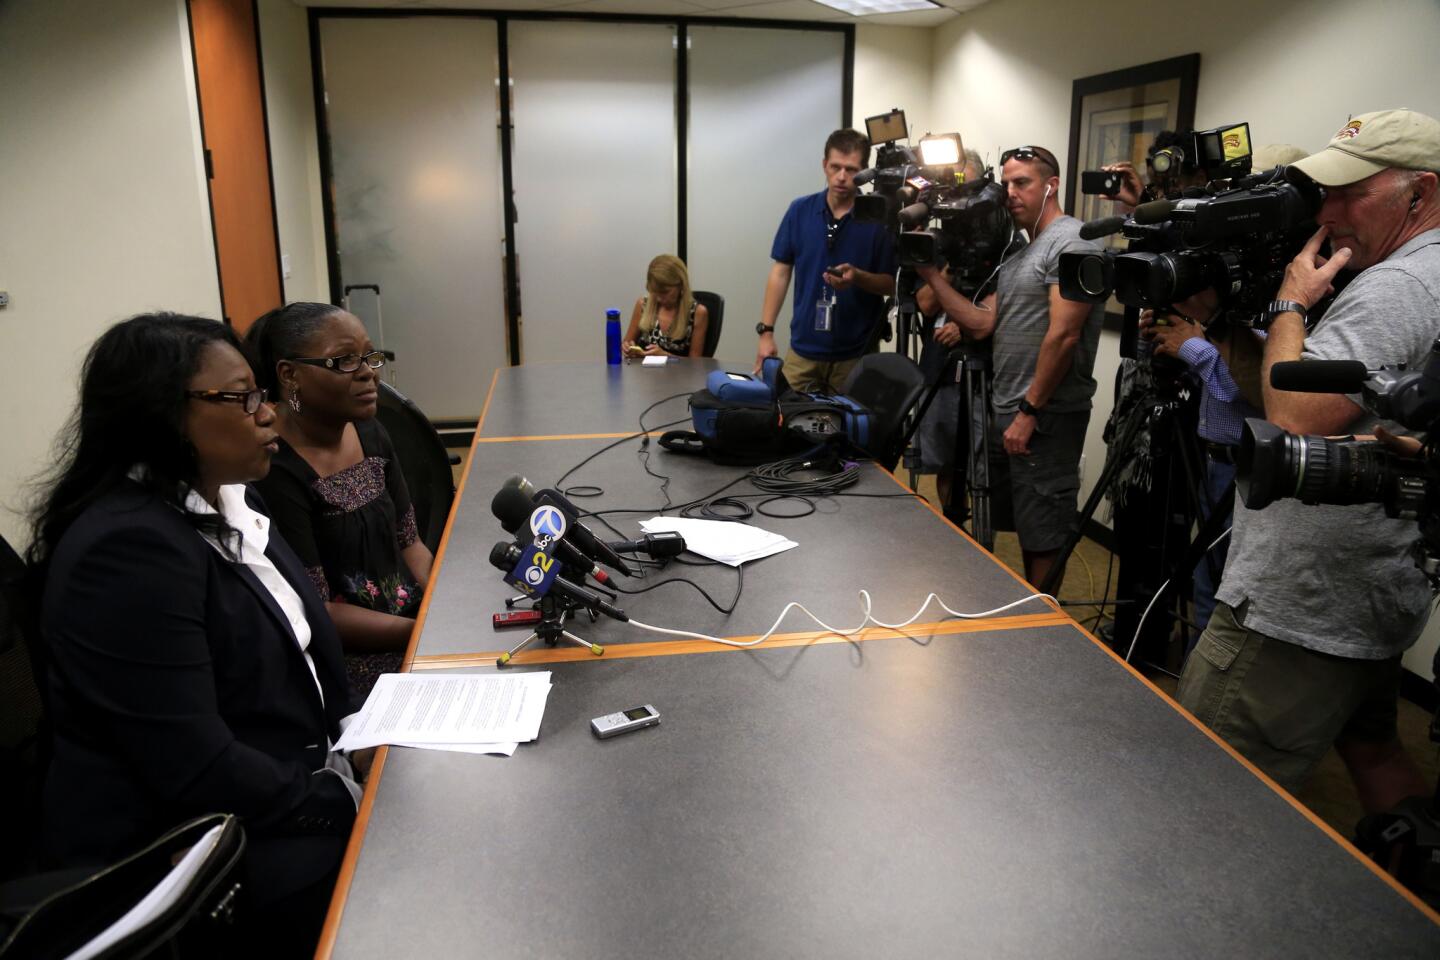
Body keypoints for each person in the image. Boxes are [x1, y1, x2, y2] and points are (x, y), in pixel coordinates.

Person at [29, 314, 362, 956]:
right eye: (240, 399)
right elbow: (196, 766)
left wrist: (361, 739)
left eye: (259, 393)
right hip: (188, 849)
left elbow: (304, 657)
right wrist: (341, 794)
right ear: (162, 416)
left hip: (277, 784)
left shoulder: (231, 500)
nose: (267, 415)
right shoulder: (127, 550)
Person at [1176, 109, 1440, 811]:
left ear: (1422, 194)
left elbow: (1292, 414)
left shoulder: (1398, 288)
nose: (1329, 210)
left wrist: (1292, 299)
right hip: (1372, 587)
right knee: (1376, 751)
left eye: (1354, 192)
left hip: (1303, 601)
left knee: (1206, 787)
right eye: (1327, 191)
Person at [915, 145, 1105, 587]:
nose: (1011, 193)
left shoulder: (1072, 242)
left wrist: (1029, 412)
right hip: (1009, 412)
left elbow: (1065, 335)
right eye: (1007, 184)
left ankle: (1046, 635)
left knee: (1043, 534)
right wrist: (931, 276)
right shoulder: (1023, 254)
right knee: (1022, 524)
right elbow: (981, 324)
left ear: (1051, 185)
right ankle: (1023, 619)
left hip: (1044, 419)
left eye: (1023, 183)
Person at [1138, 144, 1307, 639]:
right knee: (1205, 579)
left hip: (1247, 457)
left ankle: (1202, 707)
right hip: (1212, 455)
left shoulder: (1291, 285)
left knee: (1225, 592)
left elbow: (1263, 388)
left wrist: (1194, 344)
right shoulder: (1234, 273)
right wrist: (1177, 335)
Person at [246, 303, 433, 696]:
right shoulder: (274, 469)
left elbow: (411, 543)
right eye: (345, 360)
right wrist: (420, 633)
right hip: (349, 662)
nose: (368, 371)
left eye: (369, 356)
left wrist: (437, 609)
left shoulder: (372, 431)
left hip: (414, 628)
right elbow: (317, 610)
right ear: (289, 374)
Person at [755, 128, 897, 393]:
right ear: (824, 165)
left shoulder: (878, 220)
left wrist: (858, 277)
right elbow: (781, 272)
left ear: (864, 172)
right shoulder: (800, 210)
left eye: (852, 169)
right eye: (836, 167)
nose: (842, 177)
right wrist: (766, 333)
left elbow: (891, 284)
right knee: (785, 421)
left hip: (855, 353)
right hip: (804, 350)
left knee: (851, 429)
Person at [914, 148, 990, 512]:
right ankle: (950, 523)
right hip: (940, 368)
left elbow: (1003, 306)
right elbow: (926, 304)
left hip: (982, 370)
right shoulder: (941, 239)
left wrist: (965, 325)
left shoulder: (1003, 240)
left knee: (978, 464)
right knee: (945, 462)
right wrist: (947, 266)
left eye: (969, 185)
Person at [623, 254, 710, 359]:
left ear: (681, 285)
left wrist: (666, 356)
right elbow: (626, 343)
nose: (659, 298)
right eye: (655, 292)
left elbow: (696, 364)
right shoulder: (643, 305)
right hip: (643, 373)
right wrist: (628, 348)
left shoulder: (697, 313)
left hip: (680, 375)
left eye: (665, 292)